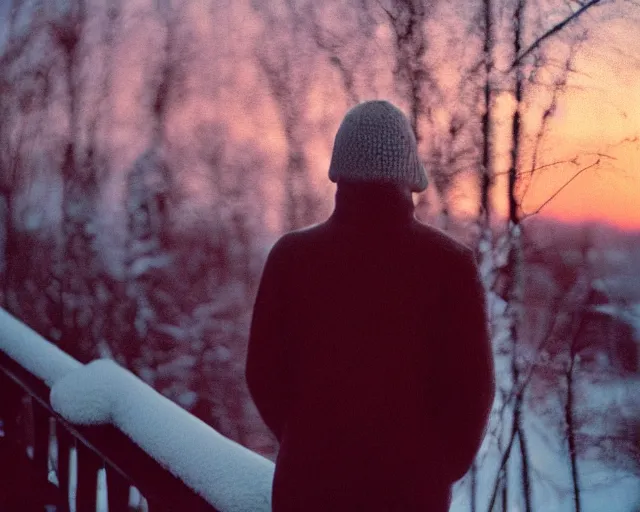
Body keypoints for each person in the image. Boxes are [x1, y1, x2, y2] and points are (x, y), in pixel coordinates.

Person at [246, 100, 496, 511]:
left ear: (339, 173)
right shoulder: (450, 264)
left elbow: (262, 374)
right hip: (410, 496)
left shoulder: (291, 256)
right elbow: (473, 392)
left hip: (306, 489)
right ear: (409, 175)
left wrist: (303, 443)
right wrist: (432, 469)